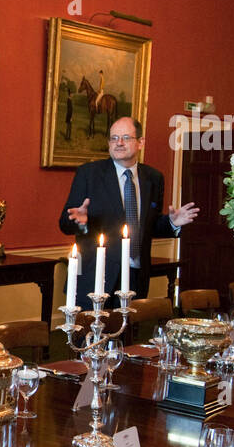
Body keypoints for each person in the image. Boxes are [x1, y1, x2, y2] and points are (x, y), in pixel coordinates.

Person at [58, 116, 199, 306]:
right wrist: (79, 221)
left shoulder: (154, 178)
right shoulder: (89, 174)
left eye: (125, 137)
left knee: (128, 333)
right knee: (92, 335)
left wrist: (171, 223)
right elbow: (65, 223)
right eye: (114, 138)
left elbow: (148, 226)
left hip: (135, 275)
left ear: (140, 142)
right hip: (95, 277)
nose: (119, 143)